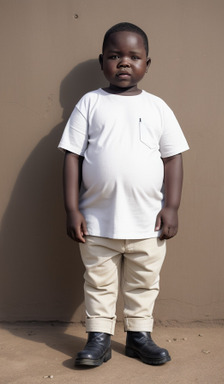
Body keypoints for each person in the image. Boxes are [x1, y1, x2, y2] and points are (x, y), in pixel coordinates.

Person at [58, 22, 189, 367]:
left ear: (148, 63)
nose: (124, 63)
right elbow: (73, 156)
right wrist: (72, 209)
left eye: (134, 56)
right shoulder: (90, 103)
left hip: (149, 222)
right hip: (97, 221)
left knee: (144, 283)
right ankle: (98, 338)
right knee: (99, 283)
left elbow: (173, 157)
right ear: (103, 61)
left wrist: (172, 206)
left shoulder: (158, 107)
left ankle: (138, 337)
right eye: (115, 56)